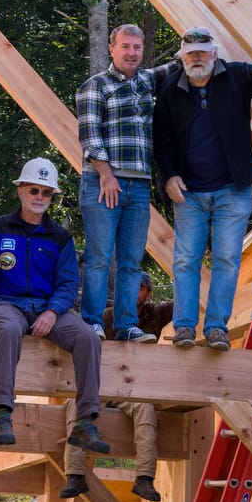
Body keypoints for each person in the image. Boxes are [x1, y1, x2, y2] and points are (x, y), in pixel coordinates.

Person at [153, 28, 252, 350]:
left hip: (232, 189)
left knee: (226, 258)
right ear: (182, 57)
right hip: (189, 192)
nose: (197, 58)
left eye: (202, 52)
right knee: (185, 260)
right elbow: (162, 141)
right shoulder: (170, 89)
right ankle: (183, 327)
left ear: (214, 53)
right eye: (191, 53)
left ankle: (216, 328)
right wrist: (168, 176)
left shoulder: (238, 76)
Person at [0, 157, 108, 457]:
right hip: (7, 304)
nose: (40, 198)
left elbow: (68, 283)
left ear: (52, 197)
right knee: (9, 329)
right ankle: (2, 414)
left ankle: (86, 421)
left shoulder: (60, 237)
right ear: (21, 191)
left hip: (48, 308)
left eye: (46, 193)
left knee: (88, 336)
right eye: (34, 191)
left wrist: (53, 311)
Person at [76, 24, 178, 340]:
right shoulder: (95, 87)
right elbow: (90, 137)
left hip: (138, 184)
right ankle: (92, 322)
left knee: (131, 261)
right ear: (112, 49)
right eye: (125, 47)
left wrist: (197, 43)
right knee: (99, 258)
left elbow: (177, 63)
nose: (131, 53)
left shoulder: (148, 80)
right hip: (103, 182)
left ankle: (125, 325)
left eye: (136, 47)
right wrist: (106, 176)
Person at [59, 271, 165, 502]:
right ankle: (75, 475)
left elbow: (189, 304)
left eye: (139, 288)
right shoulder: (107, 316)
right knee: (77, 408)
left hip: (133, 389)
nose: (132, 291)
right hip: (100, 384)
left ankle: (144, 478)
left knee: (146, 410)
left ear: (148, 293)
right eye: (128, 286)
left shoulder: (155, 314)